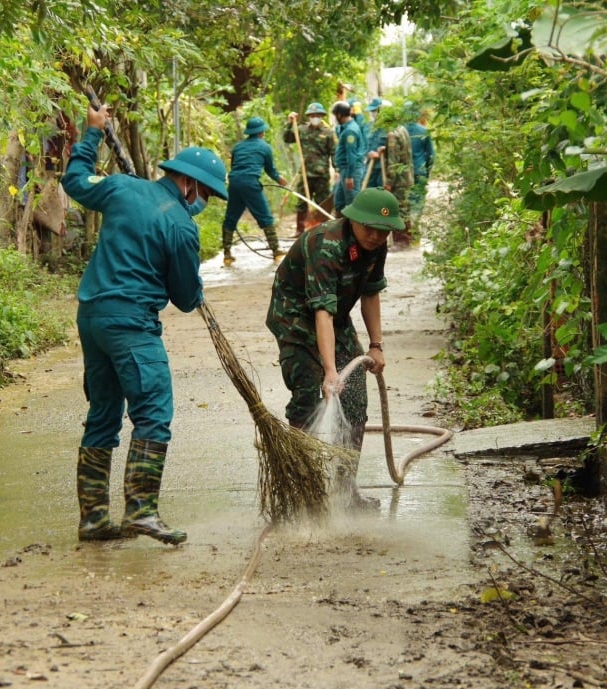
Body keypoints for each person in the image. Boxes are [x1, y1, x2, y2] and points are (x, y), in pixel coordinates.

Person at [61, 102, 228, 545]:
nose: (204, 203)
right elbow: (185, 298)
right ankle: (141, 510)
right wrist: (193, 279)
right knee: (153, 413)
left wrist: (92, 132)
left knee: (102, 414)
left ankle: (94, 519)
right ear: (189, 184)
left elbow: (75, 180)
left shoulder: (120, 188)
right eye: (206, 194)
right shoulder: (180, 226)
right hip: (131, 324)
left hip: (92, 316)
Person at [265, 188, 405, 512]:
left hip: (335, 318)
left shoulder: (376, 247)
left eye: (382, 230)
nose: (374, 235)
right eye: (368, 227)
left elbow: (370, 293)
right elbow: (321, 312)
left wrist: (376, 345)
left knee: (355, 396)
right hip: (296, 318)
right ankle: (301, 494)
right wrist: (329, 371)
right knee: (307, 393)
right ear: (352, 219)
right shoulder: (326, 244)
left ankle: (345, 493)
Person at [221, 116, 288, 265]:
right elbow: (270, 170)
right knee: (265, 216)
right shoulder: (265, 147)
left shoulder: (237, 147)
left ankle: (227, 254)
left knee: (230, 217)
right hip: (250, 183)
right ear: (261, 132)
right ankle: (276, 249)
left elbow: (235, 167)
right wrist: (280, 180)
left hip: (234, 183)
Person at [283, 102, 336, 236]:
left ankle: (322, 230)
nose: (315, 117)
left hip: (321, 175)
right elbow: (287, 138)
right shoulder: (301, 129)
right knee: (301, 203)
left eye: (317, 115)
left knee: (322, 204)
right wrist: (290, 123)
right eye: (312, 115)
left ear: (321, 116)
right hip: (305, 174)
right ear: (309, 116)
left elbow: (334, 152)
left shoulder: (328, 133)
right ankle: (300, 231)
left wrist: (337, 170)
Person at [376, 105, 415, 250]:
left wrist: (388, 183)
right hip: (408, 177)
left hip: (399, 180)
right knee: (405, 208)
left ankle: (402, 241)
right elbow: (401, 151)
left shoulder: (392, 134)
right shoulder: (402, 129)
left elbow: (393, 162)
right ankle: (408, 238)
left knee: (398, 209)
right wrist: (385, 149)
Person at [404, 102, 435, 230]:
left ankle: (406, 230)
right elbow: (431, 155)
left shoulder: (400, 130)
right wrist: (427, 170)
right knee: (418, 201)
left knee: (405, 201)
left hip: (404, 172)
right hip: (420, 170)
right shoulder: (423, 131)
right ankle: (415, 229)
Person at [330, 101, 365, 214]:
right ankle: (341, 229)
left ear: (339, 115)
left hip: (351, 171)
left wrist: (349, 177)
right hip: (344, 171)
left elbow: (352, 155)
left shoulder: (350, 131)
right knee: (339, 202)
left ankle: (355, 230)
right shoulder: (346, 128)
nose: (335, 118)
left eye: (335, 115)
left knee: (352, 204)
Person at [362, 98, 390, 189]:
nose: (373, 113)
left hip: (384, 168)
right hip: (370, 168)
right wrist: (368, 153)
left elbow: (395, 148)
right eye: (372, 111)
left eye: (375, 110)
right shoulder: (367, 127)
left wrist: (384, 150)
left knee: (382, 195)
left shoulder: (389, 127)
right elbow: (363, 146)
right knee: (367, 192)